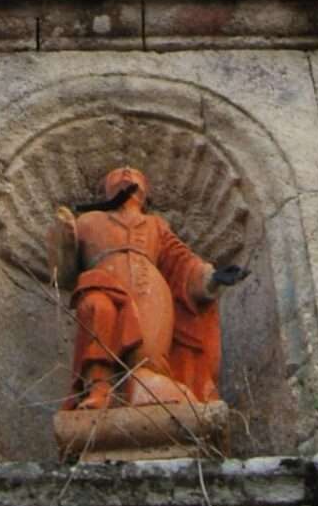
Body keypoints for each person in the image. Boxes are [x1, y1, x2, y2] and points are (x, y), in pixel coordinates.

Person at [50, 166, 247, 410]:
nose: (125, 173)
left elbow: (181, 261)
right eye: (117, 174)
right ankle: (98, 387)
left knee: (147, 351)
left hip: (149, 287)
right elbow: (65, 275)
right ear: (106, 190)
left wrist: (212, 277)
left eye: (134, 174)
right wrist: (63, 241)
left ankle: (146, 387)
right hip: (103, 279)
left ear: (146, 193)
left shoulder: (156, 224)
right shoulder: (89, 221)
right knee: (96, 308)